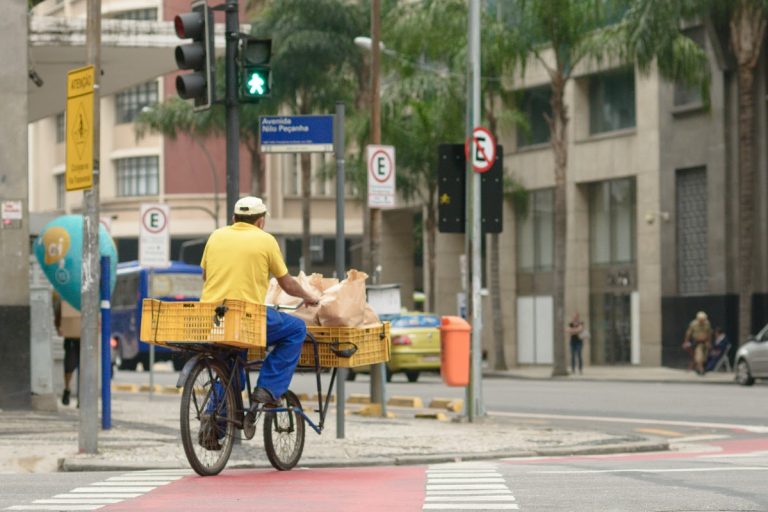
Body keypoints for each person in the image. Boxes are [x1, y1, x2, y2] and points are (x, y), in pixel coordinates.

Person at [199, 196, 320, 408]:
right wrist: (309, 296)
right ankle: (268, 388)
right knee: (296, 329)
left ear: (234, 218)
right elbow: (287, 284)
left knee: (230, 370)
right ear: (261, 221)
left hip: (213, 319)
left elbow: (205, 275)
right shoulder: (266, 240)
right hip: (247, 317)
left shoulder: (216, 236)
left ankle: (213, 419)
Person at [53, 292, 80, 406]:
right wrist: (59, 327)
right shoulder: (66, 299)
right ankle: (67, 388)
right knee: (69, 366)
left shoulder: (89, 299)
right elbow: (58, 316)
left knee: (85, 367)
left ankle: (82, 396)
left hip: (85, 339)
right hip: (71, 338)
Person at [684, 311, 712, 375]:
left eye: (703, 320)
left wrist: (709, 342)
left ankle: (698, 367)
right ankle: (701, 369)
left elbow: (709, 333)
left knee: (704, 357)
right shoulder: (693, 324)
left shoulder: (707, 324)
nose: (702, 321)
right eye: (701, 320)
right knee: (699, 355)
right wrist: (686, 341)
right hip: (697, 342)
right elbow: (688, 333)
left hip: (705, 342)